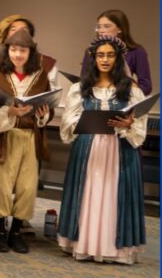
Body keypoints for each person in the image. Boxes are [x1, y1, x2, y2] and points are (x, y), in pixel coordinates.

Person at [59, 35, 147, 264]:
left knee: (113, 195)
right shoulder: (81, 88)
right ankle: (86, 242)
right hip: (89, 150)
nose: (105, 59)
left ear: (118, 58)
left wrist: (129, 125)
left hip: (119, 150)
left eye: (110, 55)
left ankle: (114, 248)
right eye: (100, 55)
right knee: (90, 193)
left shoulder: (131, 90)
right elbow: (68, 122)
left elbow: (140, 127)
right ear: (94, 58)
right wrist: (83, 120)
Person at [0, 29, 52, 254]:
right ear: (7, 51)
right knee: (0, 184)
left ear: (31, 52)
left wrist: (42, 113)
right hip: (4, 135)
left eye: (23, 50)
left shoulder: (41, 75)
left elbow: (47, 109)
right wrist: (8, 111)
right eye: (13, 49)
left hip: (29, 136)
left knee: (26, 186)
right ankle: (0, 230)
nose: (18, 54)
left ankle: (16, 231)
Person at [80, 9, 152, 95]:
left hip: (124, 101)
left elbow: (146, 87)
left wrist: (126, 94)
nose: (101, 30)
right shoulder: (90, 51)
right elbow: (83, 80)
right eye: (99, 27)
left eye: (107, 26)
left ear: (120, 29)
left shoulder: (137, 51)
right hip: (96, 101)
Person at [0, 14, 58, 88]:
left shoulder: (46, 64)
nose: (19, 33)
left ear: (30, 36)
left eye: (24, 30)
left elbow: (54, 97)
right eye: (13, 30)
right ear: (5, 36)